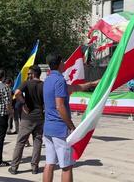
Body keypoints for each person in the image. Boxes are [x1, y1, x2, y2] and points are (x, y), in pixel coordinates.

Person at [43, 53, 98, 182]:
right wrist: (71, 126)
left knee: (49, 163)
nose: (64, 64)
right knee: (67, 166)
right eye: (63, 62)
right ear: (59, 63)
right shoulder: (60, 80)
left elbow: (75, 87)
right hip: (60, 129)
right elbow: (60, 106)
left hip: (48, 128)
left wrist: (93, 83)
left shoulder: (48, 79)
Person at [8, 65, 44, 175]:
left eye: (29, 73)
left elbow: (17, 93)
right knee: (37, 142)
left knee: (20, 142)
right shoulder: (44, 85)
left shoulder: (26, 83)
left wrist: (23, 103)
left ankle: (14, 167)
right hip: (39, 117)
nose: (28, 75)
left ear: (33, 74)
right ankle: (34, 167)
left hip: (27, 117)